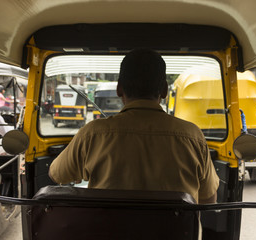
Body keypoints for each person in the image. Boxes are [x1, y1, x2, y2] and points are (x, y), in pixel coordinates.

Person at [49, 49, 219, 204]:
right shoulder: (193, 137)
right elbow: (209, 200)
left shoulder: (92, 134)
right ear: (164, 91)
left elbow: (56, 174)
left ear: (119, 89)